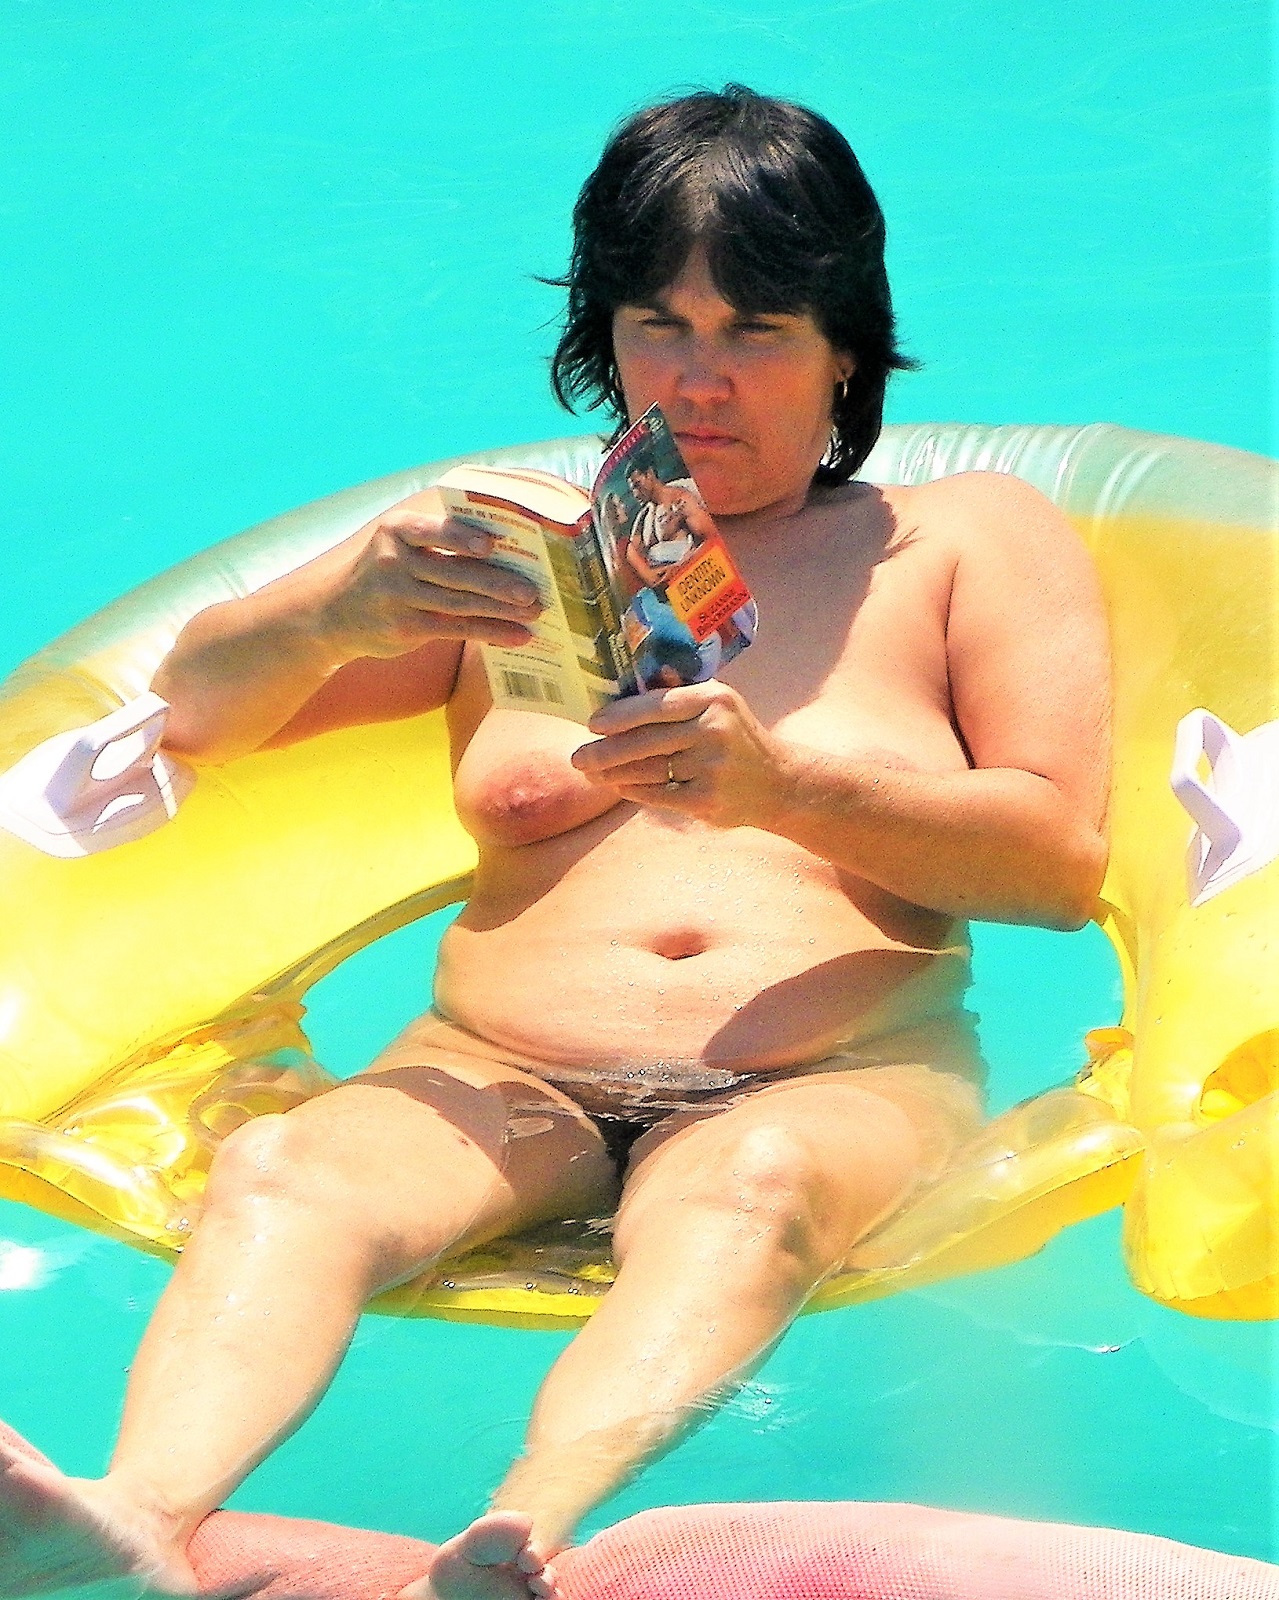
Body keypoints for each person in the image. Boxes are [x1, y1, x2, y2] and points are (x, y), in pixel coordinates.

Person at [0, 85, 1111, 1600]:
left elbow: (1058, 865)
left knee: (747, 1187)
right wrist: (334, 611)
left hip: (830, 1077)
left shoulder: (958, 539)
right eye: (660, 326)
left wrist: (785, 790)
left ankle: (505, 1545)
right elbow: (186, 720)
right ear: (607, 335)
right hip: (500, 1071)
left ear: (846, 346)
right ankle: (138, 1517)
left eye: (757, 331)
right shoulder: (511, 554)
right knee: (288, 1168)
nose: (699, 380)